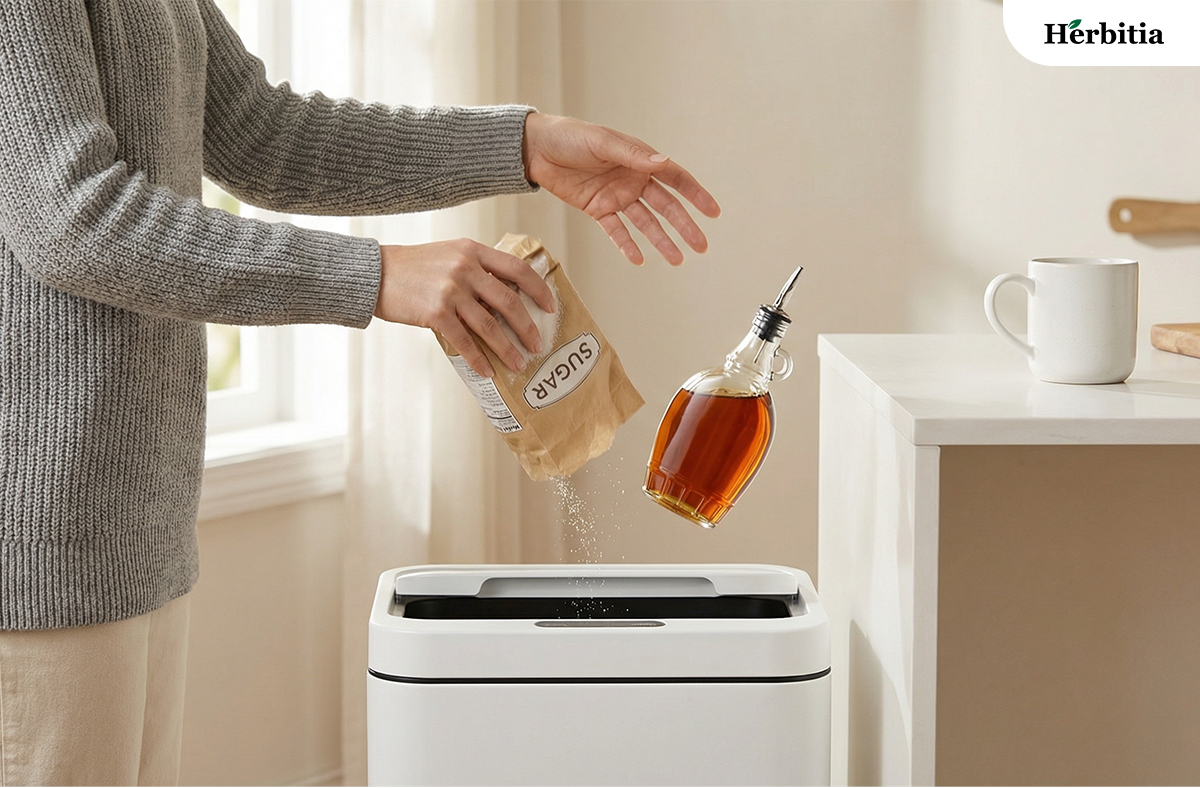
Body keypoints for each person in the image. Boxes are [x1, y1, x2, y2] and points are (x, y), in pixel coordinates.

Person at [0, 0, 719, 785]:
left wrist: (521, 144)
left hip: (135, 521)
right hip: (38, 540)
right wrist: (376, 274)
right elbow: (73, 219)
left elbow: (261, 134)